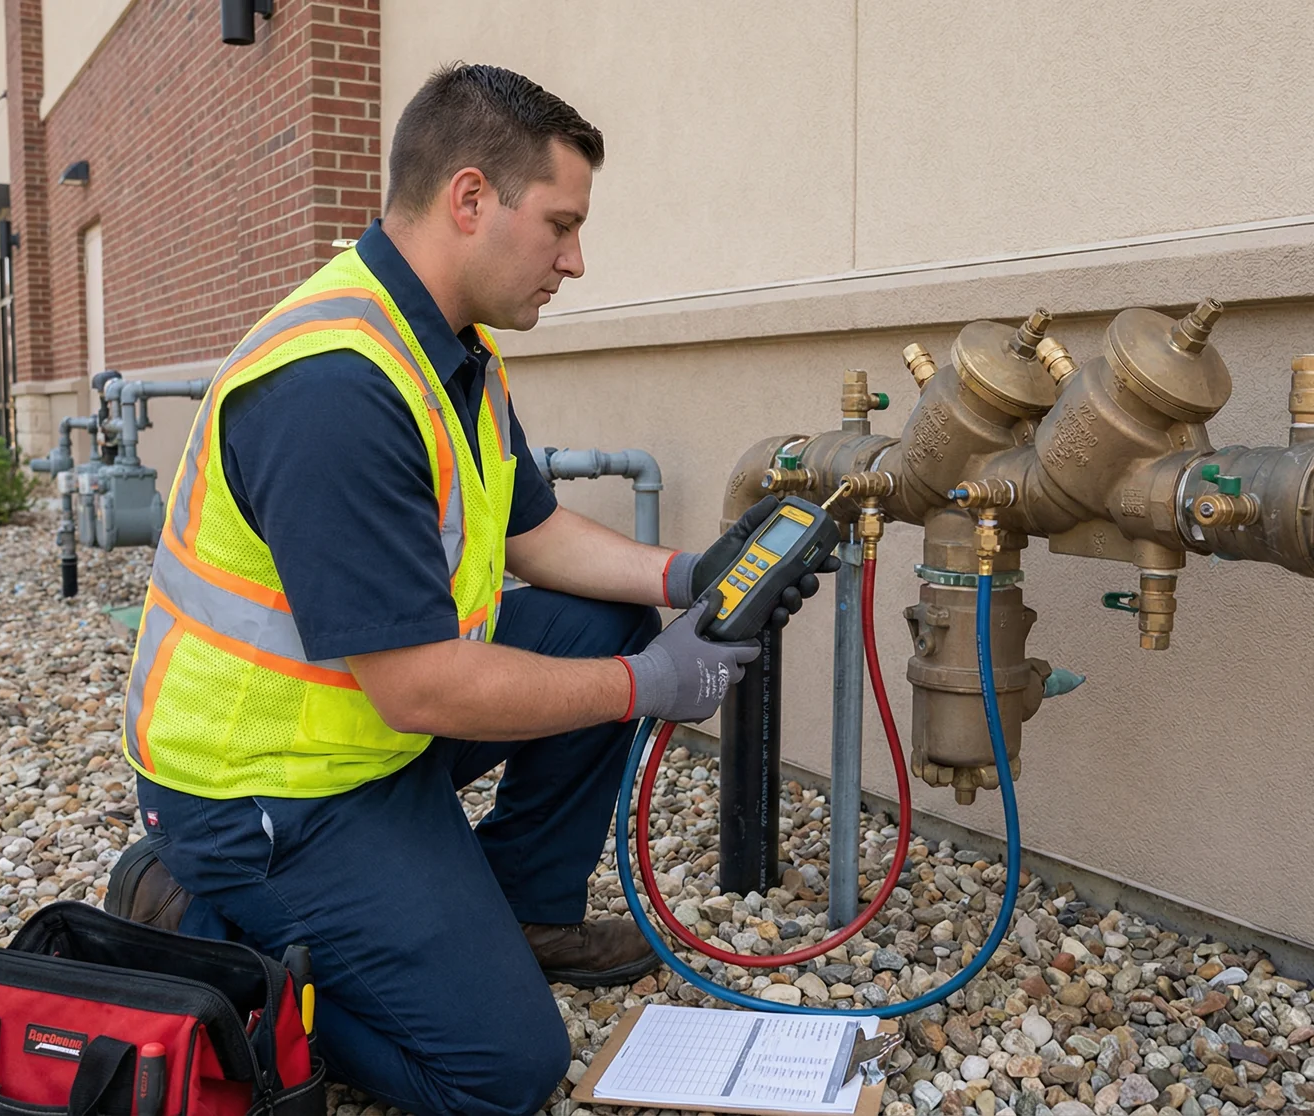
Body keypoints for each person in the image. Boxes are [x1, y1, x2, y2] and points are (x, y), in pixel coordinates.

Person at [106, 63, 831, 1115]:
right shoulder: (334, 388)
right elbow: (420, 688)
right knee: (500, 1074)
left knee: (604, 618)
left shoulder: (448, 347)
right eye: (561, 226)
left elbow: (533, 533)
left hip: (361, 737)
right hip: (266, 792)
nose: (575, 261)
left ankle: (523, 911)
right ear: (470, 199)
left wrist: (687, 577)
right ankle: (199, 925)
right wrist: (650, 683)